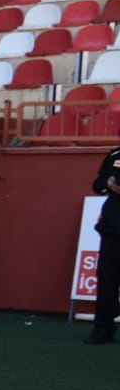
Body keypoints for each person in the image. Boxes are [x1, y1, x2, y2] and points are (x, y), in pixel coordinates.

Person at [85, 143, 120, 344]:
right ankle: (103, 329)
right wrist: (109, 183)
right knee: (107, 281)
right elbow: (97, 184)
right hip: (112, 227)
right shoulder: (115, 155)